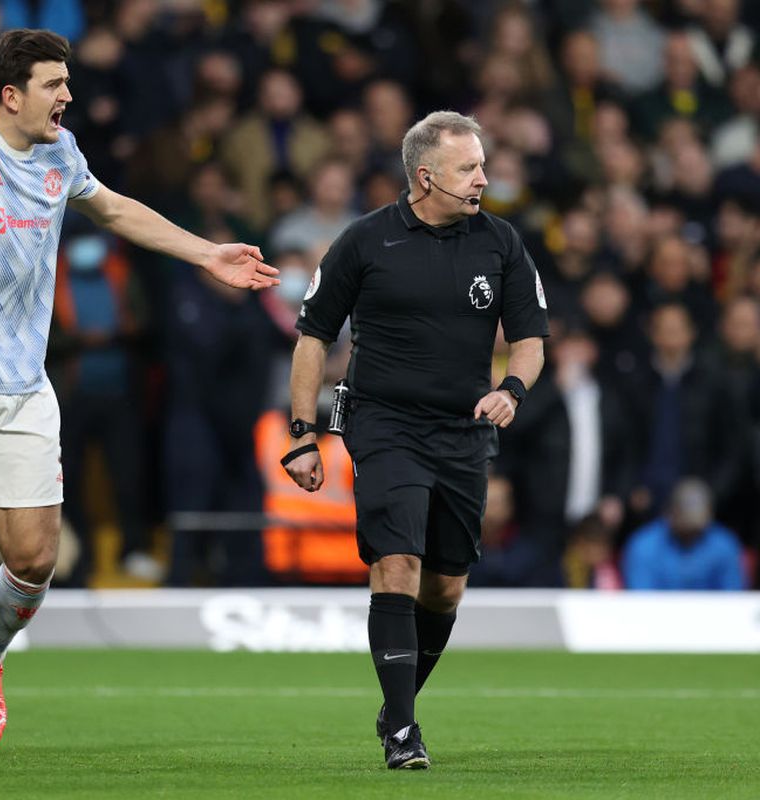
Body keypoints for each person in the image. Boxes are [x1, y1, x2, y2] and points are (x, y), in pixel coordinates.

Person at [0, 28, 277, 762]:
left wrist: (207, 254)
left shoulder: (61, 153)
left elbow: (116, 210)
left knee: (33, 560)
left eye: (66, 82)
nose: (68, 95)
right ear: (10, 95)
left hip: (21, 384)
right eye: (53, 84)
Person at [284, 111, 548, 769]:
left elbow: (531, 341)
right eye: (470, 168)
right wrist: (302, 434)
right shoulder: (365, 241)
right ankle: (403, 730)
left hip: (464, 432)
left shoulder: (502, 242)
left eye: (483, 165)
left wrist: (510, 390)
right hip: (383, 425)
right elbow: (313, 335)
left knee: (445, 589)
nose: (485, 178)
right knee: (396, 562)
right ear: (425, 177)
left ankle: (394, 702)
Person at [621, 477, 745, 590]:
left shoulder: (724, 544)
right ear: (670, 513)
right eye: (686, 531)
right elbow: (641, 598)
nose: (691, 536)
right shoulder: (643, 545)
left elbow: (732, 595)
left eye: (696, 532)